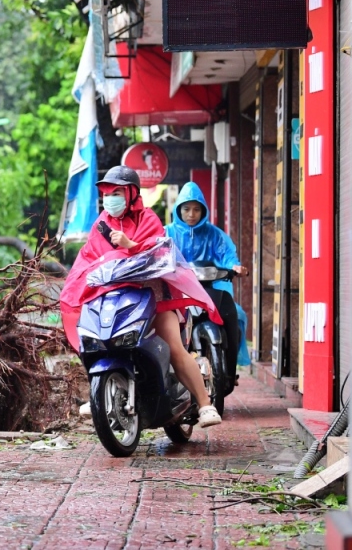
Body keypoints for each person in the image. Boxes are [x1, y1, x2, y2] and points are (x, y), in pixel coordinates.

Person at [61, 166, 223, 428]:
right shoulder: (100, 224)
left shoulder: (149, 219)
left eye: (117, 192)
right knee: (94, 340)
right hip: (114, 299)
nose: (110, 198)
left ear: (132, 193)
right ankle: (101, 393)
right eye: (107, 193)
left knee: (173, 346)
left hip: (154, 297)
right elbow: (89, 258)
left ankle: (204, 404)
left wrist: (131, 246)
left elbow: (160, 253)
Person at [165, 182, 251, 383]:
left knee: (236, 314)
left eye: (196, 209)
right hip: (176, 292)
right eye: (186, 209)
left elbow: (228, 256)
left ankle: (230, 371)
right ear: (178, 210)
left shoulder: (215, 234)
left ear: (204, 210)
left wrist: (236, 267)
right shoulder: (167, 233)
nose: (191, 214)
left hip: (211, 290)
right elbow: (157, 253)